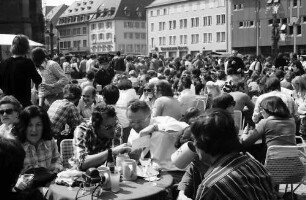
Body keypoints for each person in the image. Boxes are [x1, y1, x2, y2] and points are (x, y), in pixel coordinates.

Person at [191, 108, 276, 200]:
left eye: (194, 139)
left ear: (203, 142)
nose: (194, 144)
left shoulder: (211, 186)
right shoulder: (256, 165)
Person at [127, 100, 189, 170]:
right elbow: (134, 156)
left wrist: (156, 128)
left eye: (139, 121)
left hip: (170, 170)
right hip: (146, 171)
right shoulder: (133, 132)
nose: (136, 125)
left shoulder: (163, 121)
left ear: (149, 116)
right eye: (131, 122)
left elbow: (186, 128)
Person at [73, 104, 131, 171]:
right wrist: (111, 152)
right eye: (108, 127)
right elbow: (81, 163)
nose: (113, 130)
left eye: (114, 124)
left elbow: (114, 159)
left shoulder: (117, 127)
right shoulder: (82, 130)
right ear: (96, 126)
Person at [241, 96, 296, 162]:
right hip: (293, 162)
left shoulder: (265, 122)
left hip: (272, 162)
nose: (261, 112)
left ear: (268, 110)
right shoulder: (292, 121)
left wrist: (244, 134)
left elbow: (246, 143)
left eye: (262, 109)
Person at [13, 105, 63, 176]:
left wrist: (52, 171)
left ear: (44, 126)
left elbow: (57, 160)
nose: (34, 130)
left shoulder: (50, 141)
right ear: (23, 127)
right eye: (29, 125)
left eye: (38, 125)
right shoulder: (15, 147)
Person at [0, 34, 42, 107]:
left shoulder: (4, 63)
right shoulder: (27, 62)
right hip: (23, 103)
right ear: (26, 47)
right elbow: (38, 80)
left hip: (6, 103)